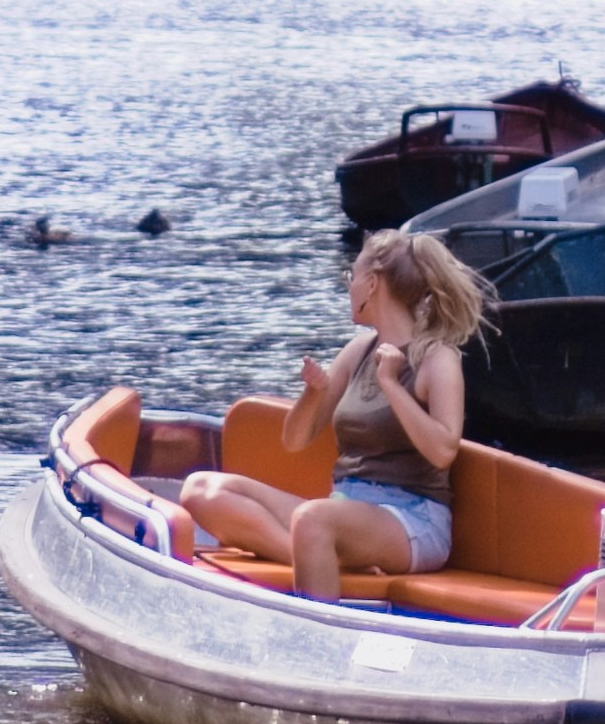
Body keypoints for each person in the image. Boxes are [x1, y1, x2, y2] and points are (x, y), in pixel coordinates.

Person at [177, 228, 488, 599]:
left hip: (412, 519)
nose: (349, 286)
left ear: (372, 284)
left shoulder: (437, 358)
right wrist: (314, 393)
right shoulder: (357, 352)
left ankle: (316, 636)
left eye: (351, 276)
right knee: (201, 489)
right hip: (343, 508)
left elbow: (443, 450)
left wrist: (391, 383)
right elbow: (294, 440)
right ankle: (324, 558)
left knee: (313, 519)